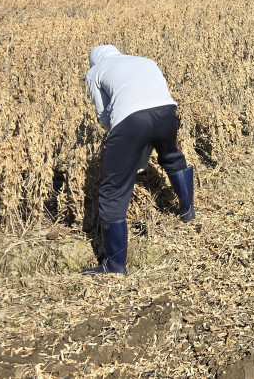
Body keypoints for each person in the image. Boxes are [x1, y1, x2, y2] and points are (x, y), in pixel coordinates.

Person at [83, 45, 195, 275]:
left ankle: (114, 266)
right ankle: (187, 211)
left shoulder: (95, 72)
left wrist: (119, 139)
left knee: (113, 188)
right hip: (166, 111)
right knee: (172, 157)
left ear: (94, 61)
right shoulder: (144, 59)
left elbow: (103, 113)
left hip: (131, 120)